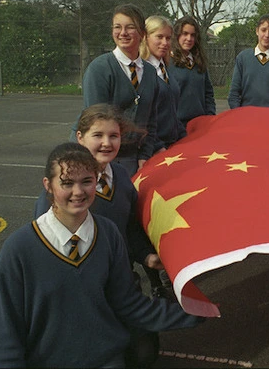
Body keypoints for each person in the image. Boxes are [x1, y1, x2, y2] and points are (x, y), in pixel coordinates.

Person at [0, 143, 203, 369]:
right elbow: (5, 333)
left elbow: (128, 303)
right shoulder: (19, 249)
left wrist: (194, 313)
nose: (78, 191)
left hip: (107, 361)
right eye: (67, 183)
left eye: (87, 182)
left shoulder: (108, 233)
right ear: (48, 186)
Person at [37, 104, 170, 312]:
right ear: (80, 137)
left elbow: (130, 227)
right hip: (83, 291)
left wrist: (146, 256)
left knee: (144, 342)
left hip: (123, 281)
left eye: (114, 136)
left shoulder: (122, 177)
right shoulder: (62, 193)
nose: (106, 143)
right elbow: (46, 247)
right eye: (97, 135)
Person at [71, 3, 160, 176]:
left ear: (142, 33)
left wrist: (144, 155)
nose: (123, 33)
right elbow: (94, 121)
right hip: (98, 155)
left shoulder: (149, 73)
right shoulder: (100, 68)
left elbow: (151, 121)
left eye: (130, 27)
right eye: (117, 27)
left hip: (131, 157)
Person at [228, 14, 269, 111]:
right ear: (257, 31)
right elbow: (234, 94)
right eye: (263, 30)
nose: (267, 35)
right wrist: (239, 115)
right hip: (246, 118)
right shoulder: (243, 58)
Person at [140, 15, 186, 152]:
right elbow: (142, 119)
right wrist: (157, 146)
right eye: (159, 37)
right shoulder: (141, 71)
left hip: (172, 143)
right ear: (145, 37)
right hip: (152, 149)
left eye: (168, 38)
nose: (165, 43)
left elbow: (171, 111)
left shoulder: (165, 68)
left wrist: (184, 136)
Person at [168, 15, 217, 126]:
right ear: (177, 35)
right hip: (176, 126)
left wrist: (210, 117)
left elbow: (208, 93)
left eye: (192, 35)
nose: (189, 39)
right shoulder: (167, 63)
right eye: (185, 34)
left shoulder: (199, 62)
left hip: (200, 124)